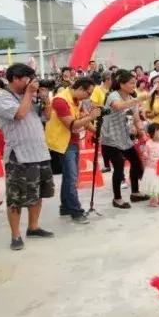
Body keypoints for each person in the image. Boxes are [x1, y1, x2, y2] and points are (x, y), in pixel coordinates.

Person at [0, 63, 55, 250]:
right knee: (16, 198)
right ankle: (15, 235)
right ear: (14, 78)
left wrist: (45, 100)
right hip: (18, 155)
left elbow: (48, 117)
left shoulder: (31, 96)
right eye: (26, 79)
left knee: (38, 193)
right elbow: (19, 114)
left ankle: (33, 227)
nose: (30, 83)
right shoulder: (1, 96)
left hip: (39, 152)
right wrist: (29, 93)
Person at [45, 78, 100, 223]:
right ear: (80, 88)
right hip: (62, 143)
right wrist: (91, 116)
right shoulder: (60, 100)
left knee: (69, 177)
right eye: (88, 93)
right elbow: (72, 125)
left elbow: (83, 120)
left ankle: (65, 207)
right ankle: (76, 211)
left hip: (72, 141)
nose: (89, 97)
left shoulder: (78, 100)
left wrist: (97, 132)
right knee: (71, 178)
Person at [101, 70, 150, 208]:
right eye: (131, 83)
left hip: (125, 138)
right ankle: (117, 199)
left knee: (136, 163)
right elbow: (118, 106)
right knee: (119, 167)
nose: (134, 86)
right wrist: (138, 99)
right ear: (122, 84)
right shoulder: (113, 96)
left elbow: (136, 119)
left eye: (135, 83)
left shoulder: (131, 98)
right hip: (110, 139)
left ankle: (135, 193)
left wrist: (141, 131)